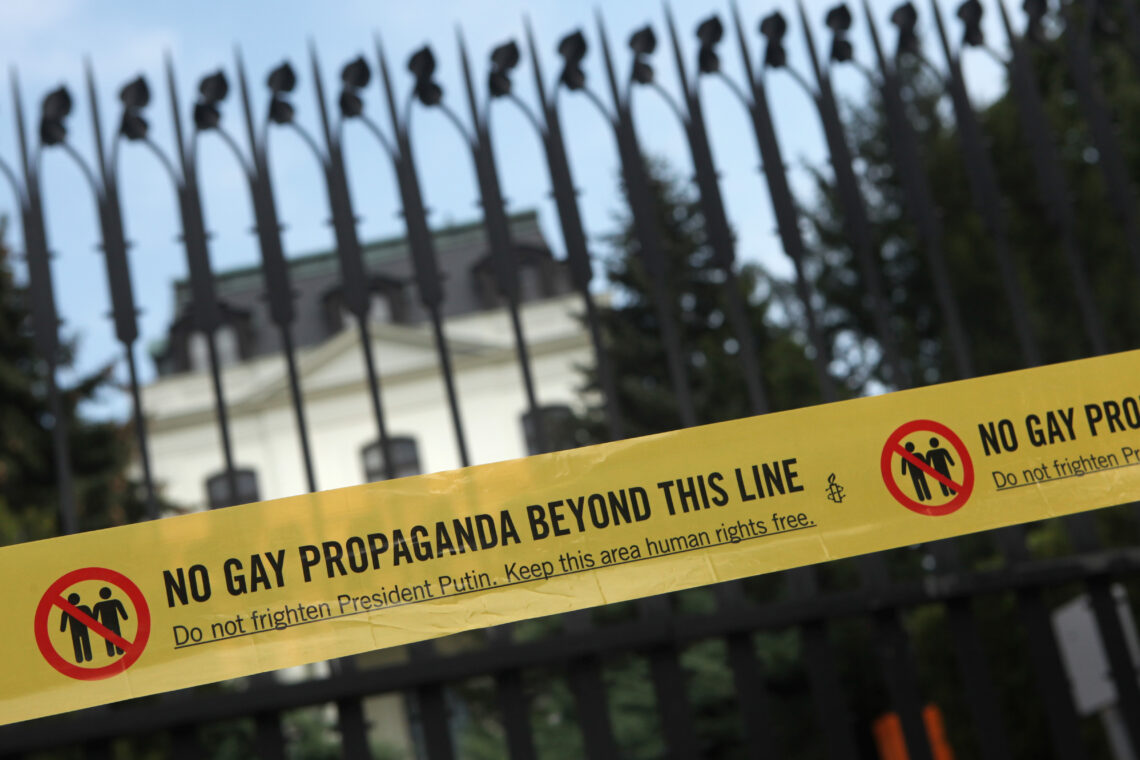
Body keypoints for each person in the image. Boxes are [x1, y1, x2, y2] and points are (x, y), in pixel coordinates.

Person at [93, 586, 129, 657]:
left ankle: (112, 652)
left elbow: (94, 618)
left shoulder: (98, 605)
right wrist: (125, 617)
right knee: (116, 635)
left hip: (106, 624)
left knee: (109, 638)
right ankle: (119, 650)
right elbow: (123, 614)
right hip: (114, 624)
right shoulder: (115, 602)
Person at [60, 592, 93, 664]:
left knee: (77, 643)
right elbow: (92, 618)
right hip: (82, 629)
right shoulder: (84, 607)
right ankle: (87, 657)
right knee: (85, 642)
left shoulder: (67, 610)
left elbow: (64, 620)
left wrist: (63, 628)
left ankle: (80, 658)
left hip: (75, 630)